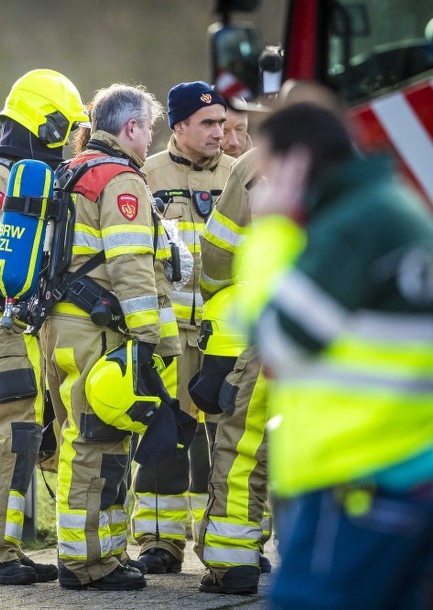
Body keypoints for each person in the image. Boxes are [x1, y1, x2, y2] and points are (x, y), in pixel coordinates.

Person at [242, 102, 433, 609]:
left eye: (267, 171)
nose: (264, 187)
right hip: (403, 472)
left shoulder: (353, 226)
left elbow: (276, 344)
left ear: (295, 163)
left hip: (358, 480)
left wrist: (272, 232)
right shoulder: (393, 206)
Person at [42, 83, 175, 591]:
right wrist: (150, 338)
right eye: (148, 129)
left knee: (85, 438)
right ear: (131, 128)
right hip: (98, 328)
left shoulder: (70, 171)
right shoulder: (121, 180)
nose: (149, 140)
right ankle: (87, 564)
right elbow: (131, 266)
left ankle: (105, 554)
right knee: (97, 443)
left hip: (62, 324)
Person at [0, 68, 86, 586]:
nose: (66, 141)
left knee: (2, 429)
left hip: (14, 323)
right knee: (10, 430)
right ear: (44, 123)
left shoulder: (29, 172)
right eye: (65, 128)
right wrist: (40, 271)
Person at [131, 80, 233, 574]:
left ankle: (229, 544)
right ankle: (158, 542)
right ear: (179, 126)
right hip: (169, 335)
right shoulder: (145, 176)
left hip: (226, 336)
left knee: (229, 440)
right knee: (164, 435)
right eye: (209, 123)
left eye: (222, 122)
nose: (221, 132)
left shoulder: (240, 175)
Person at [191, 146, 271, 595]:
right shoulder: (381, 144)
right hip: (358, 334)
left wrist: (223, 304)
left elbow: (218, 250)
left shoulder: (259, 161)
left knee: (244, 444)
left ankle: (232, 563)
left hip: (267, 322)